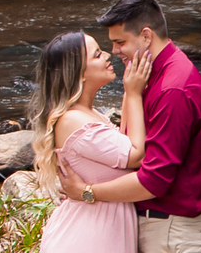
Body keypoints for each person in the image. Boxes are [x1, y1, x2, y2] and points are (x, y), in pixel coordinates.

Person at [58, 0, 201, 253]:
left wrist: (86, 192)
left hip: (174, 228)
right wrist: (130, 92)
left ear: (146, 36)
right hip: (162, 223)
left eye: (120, 42)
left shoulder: (173, 90)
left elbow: (154, 180)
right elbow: (128, 147)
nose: (114, 51)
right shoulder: (146, 74)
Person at [29, 30, 153, 253]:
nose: (107, 55)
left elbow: (123, 142)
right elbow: (136, 155)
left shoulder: (89, 114)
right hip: (85, 238)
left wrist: (129, 92)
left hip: (98, 232)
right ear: (79, 73)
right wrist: (134, 93)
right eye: (97, 55)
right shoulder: (74, 121)